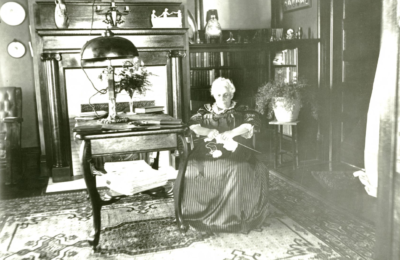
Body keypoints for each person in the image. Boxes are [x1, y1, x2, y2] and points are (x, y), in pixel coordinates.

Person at [182, 77, 270, 233]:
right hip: (208, 147)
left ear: (231, 94)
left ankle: (232, 218)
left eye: (225, 94)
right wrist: (208, 131)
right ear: (213, 95)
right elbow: (193, 126)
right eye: (218, 95)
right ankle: (195, 213)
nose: (222, 98)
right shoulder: (203, 110)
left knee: (237, 167)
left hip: (235, 148)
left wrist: (231, 133)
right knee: (192, 167)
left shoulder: (242, 109)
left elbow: (250, 123)